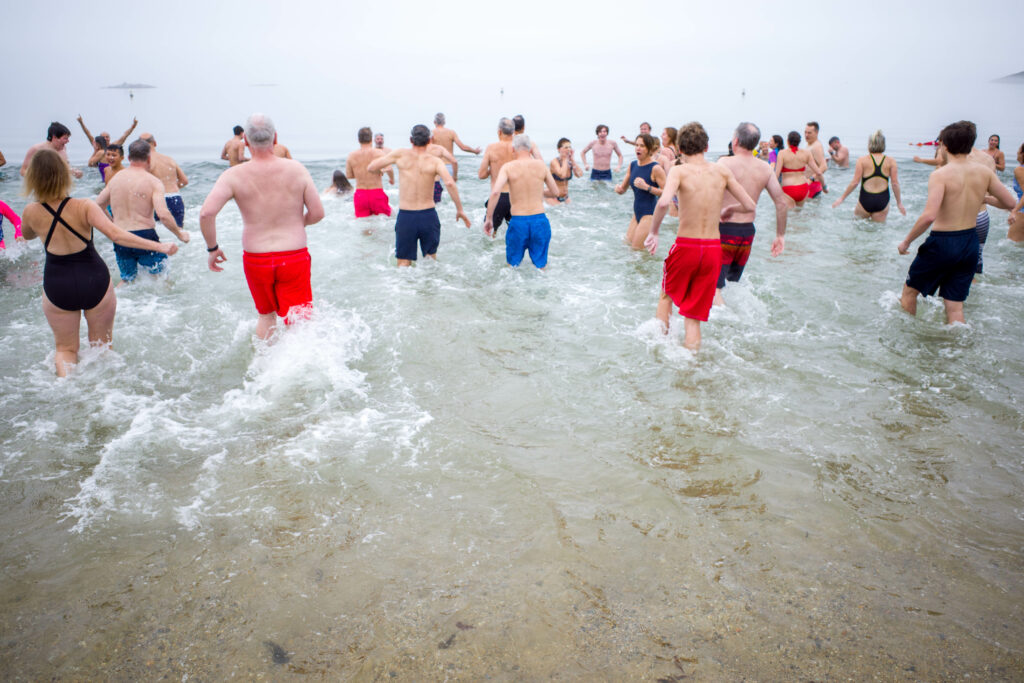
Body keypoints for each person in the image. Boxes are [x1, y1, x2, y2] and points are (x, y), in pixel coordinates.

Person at [19, 148, 177, 376]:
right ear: (64, 175)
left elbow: (27, 235)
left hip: (57, 283)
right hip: (94, 279)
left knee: (65, 349)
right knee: (102, 349)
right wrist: (159, 246)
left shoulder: (30, 211)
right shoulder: (84, 206)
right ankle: (107, 395)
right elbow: (117, 234)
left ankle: (66, 390)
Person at [200, 113, 325, 339]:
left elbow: (207, 213)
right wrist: (299, 223)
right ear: (275, 138)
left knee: (266, 316)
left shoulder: (233, 175)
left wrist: (212, 248)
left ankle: (264, 366)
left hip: (257, 258)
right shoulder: (296, 169)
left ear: (245, 141)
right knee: (300, 318)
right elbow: (317, 213)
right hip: (293, 255)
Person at [643, 122, 755, 351]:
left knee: (666, 296)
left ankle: (661, 350)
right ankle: (691, 365)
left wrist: (654, 232)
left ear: (680, 149)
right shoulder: (722, 171)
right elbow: (750, 205)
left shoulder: (678, 170)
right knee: (693, 317)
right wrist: (729, 210)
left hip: (687, 246)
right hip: (714, 249)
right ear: (706, 146)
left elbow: (664, 202)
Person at [897, 121, 1017, 325]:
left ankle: (905, 338)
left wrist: (907, 241)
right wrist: (984, 198)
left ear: (945, 146)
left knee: (909, 293)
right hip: (969, 242)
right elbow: (1010, 203)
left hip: (943, 242)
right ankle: (955, 350)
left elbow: (929, 216)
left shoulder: (940, 175)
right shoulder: (984, 172)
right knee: (954, 306)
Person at [368, 124, 470, 267]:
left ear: (411, 140)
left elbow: (371, 167)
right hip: (428, 215)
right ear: (429, 140)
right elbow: (450, 183)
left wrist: (379, 172)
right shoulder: (435, 161)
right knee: (430, 261)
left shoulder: (400, 154)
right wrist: (460, 210)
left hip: (406, 216)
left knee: (403, 262)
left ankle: (403, 290)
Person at [714, 122, 789, 305]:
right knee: (732, 286)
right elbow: (781, 202)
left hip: (724, 231)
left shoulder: (724, 163)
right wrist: (780, 235)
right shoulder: (765, 168)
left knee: (714, 287)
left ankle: (728, 322)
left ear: (736, 141)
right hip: (747, 233)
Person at [96, 140, 190, 284]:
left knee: (127, 280)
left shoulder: (115, 179)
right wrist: (179, 234)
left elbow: (99, 204)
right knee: (161, 279)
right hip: (145, 236)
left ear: (128, 158)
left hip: (121, 238)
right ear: (149, 158)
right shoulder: (153, 182)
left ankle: (121, 305)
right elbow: (163, 215)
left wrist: (112, 221)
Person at [483, 134, 562, 268]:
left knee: (512, 267)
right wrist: (537, 192)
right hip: (540, 221)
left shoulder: (508, 167)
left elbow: (496, 192)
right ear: (531, 150)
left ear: (513, 149)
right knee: (541, 268)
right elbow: (555, 192)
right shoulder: (541, 165)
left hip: (518, 222)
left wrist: (489, 218)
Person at [831, 130, 906, 222]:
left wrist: (841, 198)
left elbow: (855, 182)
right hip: (882, 200)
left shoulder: (862, 160)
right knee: (878, 232)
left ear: (869, 144)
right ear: (883, 144)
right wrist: (899, 203)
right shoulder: (891, 161)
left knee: (857, 229)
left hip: (865, 199)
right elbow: (895, 184)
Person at [615, 133, 666, 250]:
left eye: (642, 146)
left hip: (649, 214)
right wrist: (618, 189)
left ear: (649, 149)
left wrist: (647, 187)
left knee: (636, 250)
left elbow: (667, 193)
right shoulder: (632, 165)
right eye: (637, 145)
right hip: (636, 213)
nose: (638, 148)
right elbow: (623, 189)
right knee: (627, 246)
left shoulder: (656, 168)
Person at [139, 133, 189, 229]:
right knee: (179, 232)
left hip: (159, 200)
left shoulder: (145, 161)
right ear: (155, 143)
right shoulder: (169, 159)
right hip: (176, 198)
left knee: (159, 235)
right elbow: (184, 181)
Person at [478, 117, 516, 237]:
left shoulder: (491, 148)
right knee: (516, 236)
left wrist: (493, 170)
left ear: (499, 131)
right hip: (516, 198)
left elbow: (481, 175)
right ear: (513, 132)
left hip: (498, 198)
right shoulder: (519, 149)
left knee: (490, 235)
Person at [345, 127, 392, 217]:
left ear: (358, 140)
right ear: (371, 139)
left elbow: (349, 175)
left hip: (360, 195)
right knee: (385, 221)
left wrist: (361, 174)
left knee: (364, 226)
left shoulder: (351, 155)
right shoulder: (379, 153)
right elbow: (389, 168)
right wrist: (389, 177)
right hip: (376, 193)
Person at [776, 131, 826, 206]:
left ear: (788, 141)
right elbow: (819, 172)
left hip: (788, 188)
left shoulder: (782, 153)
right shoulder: (807, 153)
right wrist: (824, 187)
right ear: (799, 142)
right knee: (799, 214)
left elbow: (776, 175)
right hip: (803, 188)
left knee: (790, 216)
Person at [431, 113, 481, 183]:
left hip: (436, 166)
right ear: (444, 122)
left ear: (434, 122)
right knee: (449, 191)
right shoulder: (451, 132)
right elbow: (463, 147)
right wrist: (475, 151)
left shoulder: (431, 133)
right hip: (449, 166)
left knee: (436, 191)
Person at [547, 138, 583, 205]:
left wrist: (572, 160)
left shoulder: (569, 162)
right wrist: (564, 159)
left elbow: (579, 174)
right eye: (566, 147)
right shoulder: (554, 162)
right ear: (559, 149)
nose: (568, 149)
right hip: (553, 197)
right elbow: (562, 175)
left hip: (565, 197)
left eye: (570, 147)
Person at [804, 121, 828, 197]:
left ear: (816, 132)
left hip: (813, 185)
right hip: (809, 184)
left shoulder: (816, 147)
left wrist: (811, 179)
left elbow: (824, 167)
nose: (806, 135)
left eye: (809, 133)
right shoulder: (809, 144)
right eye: (805, 132)